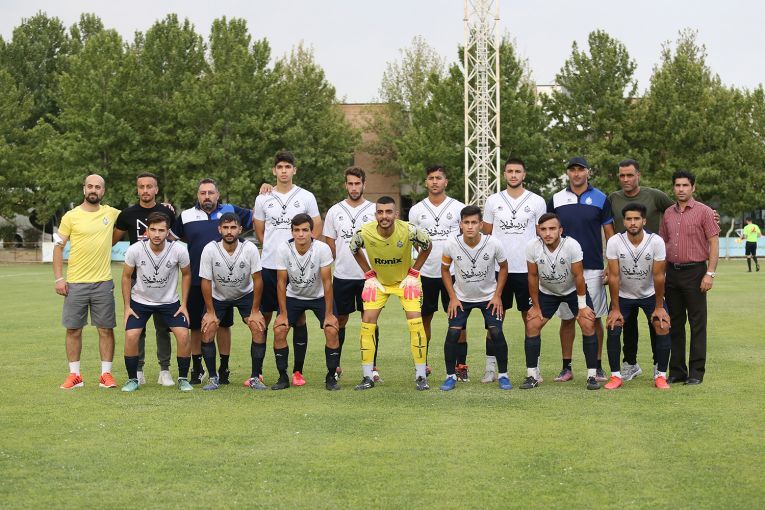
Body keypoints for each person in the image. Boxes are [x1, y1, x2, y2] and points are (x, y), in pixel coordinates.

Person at [348, 196, 432, 390]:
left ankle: (421, 376)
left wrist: (414, 272)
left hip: (406, 282)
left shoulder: (409, 230)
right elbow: (353, 248)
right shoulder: (364, 232)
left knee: (415, 322)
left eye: (388, 212)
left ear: (396, 214)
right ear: (375, 214)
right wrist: (368, 274)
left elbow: (427, 246)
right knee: (367, 323)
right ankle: (367, 377)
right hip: (379, 283)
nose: (384, 216)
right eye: (380, 212)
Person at [253, 151, 322, 387]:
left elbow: (316, 227)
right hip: (269, 265)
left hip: (297, 268)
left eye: (288, 167)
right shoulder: (263, 197)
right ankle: (257, 373)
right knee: (265, 317)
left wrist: (303, 254)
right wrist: (274, 249)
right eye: (280, 167)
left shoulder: (306, 196)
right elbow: (260, 231)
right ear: (274, 170)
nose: (284, 171)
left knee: (298, 317)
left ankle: (297, 372)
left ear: (294, 170)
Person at [176, 179, 253, 385]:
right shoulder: (186, 216)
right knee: (196, 326)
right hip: (196, 279)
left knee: (222, 325)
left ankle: (224, 368)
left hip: (223, 284)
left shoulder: (231, 210)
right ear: (198, 195)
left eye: (211, 192)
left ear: (218, 194)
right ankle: (197, 368)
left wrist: (267, 192)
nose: (207, 196)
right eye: (203, 193)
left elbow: (258, 216)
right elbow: (172, 235)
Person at [548, 157, 614, 383]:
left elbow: (609, 233)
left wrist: (610, 263)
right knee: (567, 319)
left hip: (592, 268)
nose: (576, 174)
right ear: (568, 173)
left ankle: (597, 366)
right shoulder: (556, 199)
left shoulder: (601, 198)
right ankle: (566, 367)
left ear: (588, 172)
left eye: (580, 170)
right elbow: (547, 230)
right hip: (563, 270)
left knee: (593, 318)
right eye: (572, 170)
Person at [482, 157, 546, 383]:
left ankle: (534, 369)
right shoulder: (493, 201)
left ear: (524, 174)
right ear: (504, 174)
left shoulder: (537, 201)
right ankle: (490, 368)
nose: (513, 175)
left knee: (531, 320)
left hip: (527, 270)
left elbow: (541, 235)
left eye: (517, 171)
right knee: (493, 322)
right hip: (499, 270)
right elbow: (486, 236)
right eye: (510, 171)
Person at [54, 174, 120, 390]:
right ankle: (75, 376)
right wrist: (59, 278)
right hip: (75, 284)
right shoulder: (70, 216)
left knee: (106, 329)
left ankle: (105, 375)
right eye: (90, 186)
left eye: (98, 187)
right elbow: (58, 247)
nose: (94, 190)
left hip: (103, 283)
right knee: (73, 329)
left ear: (103, 191)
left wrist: (165, 208)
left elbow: (139, 214)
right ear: (84, 189)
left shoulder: (111, 213)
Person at [522, 213, 601, 390]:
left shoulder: (572, 245)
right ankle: (532, 375)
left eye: (552, 229)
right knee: (532, 324)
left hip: (572, 291)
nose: (548, 233)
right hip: (547, 292)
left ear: (560, 230)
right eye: (543, 229)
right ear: (538, 231)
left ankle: (592, 376)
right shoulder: (532, 247)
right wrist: (535, 306)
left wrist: (582, 306)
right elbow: (532, 277)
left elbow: (579, 276)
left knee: (588, 323)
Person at [113, 172, 176, 386]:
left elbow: (175, 237)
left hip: (163, 280)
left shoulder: (167, 212)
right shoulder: (127, 214)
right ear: (137, 189)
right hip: (137, 280)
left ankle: (164, 370)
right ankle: (138, 370)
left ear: (156, 189)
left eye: (150, 186)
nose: (145, 190)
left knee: (163, 328)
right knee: (137, 328)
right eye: (142, 187)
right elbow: (110, 241)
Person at [120, 212, 193, 392]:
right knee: (131, 335)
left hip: (169, 302)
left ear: (168, 231)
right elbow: (126, 277)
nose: (157, 234)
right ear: (147, 231)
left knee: (183, 334)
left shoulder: (179, 250)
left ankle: (183, 379)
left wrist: (184, 304)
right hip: (140, 301)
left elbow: (186, 274)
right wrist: (127, 306)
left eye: (161, 230)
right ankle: (133, 379)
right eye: (153, 230)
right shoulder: (135, 249)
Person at [659, 170, 720, 385]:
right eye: (677, 185)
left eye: (685, 185)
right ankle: (677, 371)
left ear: (693, 187)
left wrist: (709, 273)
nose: (681, 189)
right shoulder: (668, 213)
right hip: (672, 273)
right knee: (675, 323)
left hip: (695, 272)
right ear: (673, 188)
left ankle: (696, 372)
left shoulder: (705, 212)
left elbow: (713, 243)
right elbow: (662, 243)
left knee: (697, 323)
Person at [439, 206, 509, 391]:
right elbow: (444, 270)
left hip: (488, 296)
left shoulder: (494, 243)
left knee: (496, 332)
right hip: (461, 297)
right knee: (453, 333)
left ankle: (503, 375)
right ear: (460, 225)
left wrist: (497, 295)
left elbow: (504, 267)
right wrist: (452, 297)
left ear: (481, 225)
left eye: (474, 222)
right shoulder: (451, 243)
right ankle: (450, 376)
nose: (470, 226)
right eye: (466, 222)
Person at [603, 203, 672, 390]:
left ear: (644, 221)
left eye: (636, 219)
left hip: (650, 294)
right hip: (624, 295)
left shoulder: (656, 241)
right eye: (629, 219)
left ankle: (661, 375)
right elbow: (614, 276)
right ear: (624, 222)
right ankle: (616, 376)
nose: (632, 222)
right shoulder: (614, 241)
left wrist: (659, 307)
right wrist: (615, 308)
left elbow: (659, 276)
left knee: (662, 325)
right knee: (613, 326)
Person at [322, 167, 379, 381]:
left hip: (368, 277)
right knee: (340, 320)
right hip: (343, 276)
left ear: (364, 184)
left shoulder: (374, 210)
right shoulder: (334, 211)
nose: (354, 187)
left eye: (357, 183)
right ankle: (335, 366)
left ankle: (372, 367)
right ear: (345, 185)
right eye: (350, 183)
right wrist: (341, 259)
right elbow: (330, 242)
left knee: (370, 321)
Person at [408, 165, 465, 379]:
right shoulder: (416, 210)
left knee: (458, 321)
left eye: (438, 178)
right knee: (424, 318)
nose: (434, 181)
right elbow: (413, 240)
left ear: (445, 182)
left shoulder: (458, 207)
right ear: (426, 182)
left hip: (453, 273)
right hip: (426, 273)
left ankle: (461, 366)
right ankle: (423, 364)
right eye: (431, 178)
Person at [198, 213, 266, 391]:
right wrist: (210, 312)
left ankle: (255, 377)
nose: (229, 231)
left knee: (258, 327)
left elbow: (258, 279)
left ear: (240, 229)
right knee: (208, 328)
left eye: (233, 227)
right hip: (218, 296)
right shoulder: (210, 249)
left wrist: (255, 310)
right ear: (219, 229)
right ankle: (213, 377)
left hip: (245, 294)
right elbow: (205, 281)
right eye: (225, 227)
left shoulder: (250, 248)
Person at [273, 214, 340, 390]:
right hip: (293, 296)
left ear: (312, 231)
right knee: (279, 329)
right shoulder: (283, 249)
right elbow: (281, 283)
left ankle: (331, 376)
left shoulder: (322, 249)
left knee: (332, 329)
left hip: (318, 296)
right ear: (292, 232)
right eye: (296, 230)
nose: (301, 234)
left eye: (305, 230)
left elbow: (327, 282)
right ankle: (283, 377)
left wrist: (329, 314)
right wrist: (283, 314)